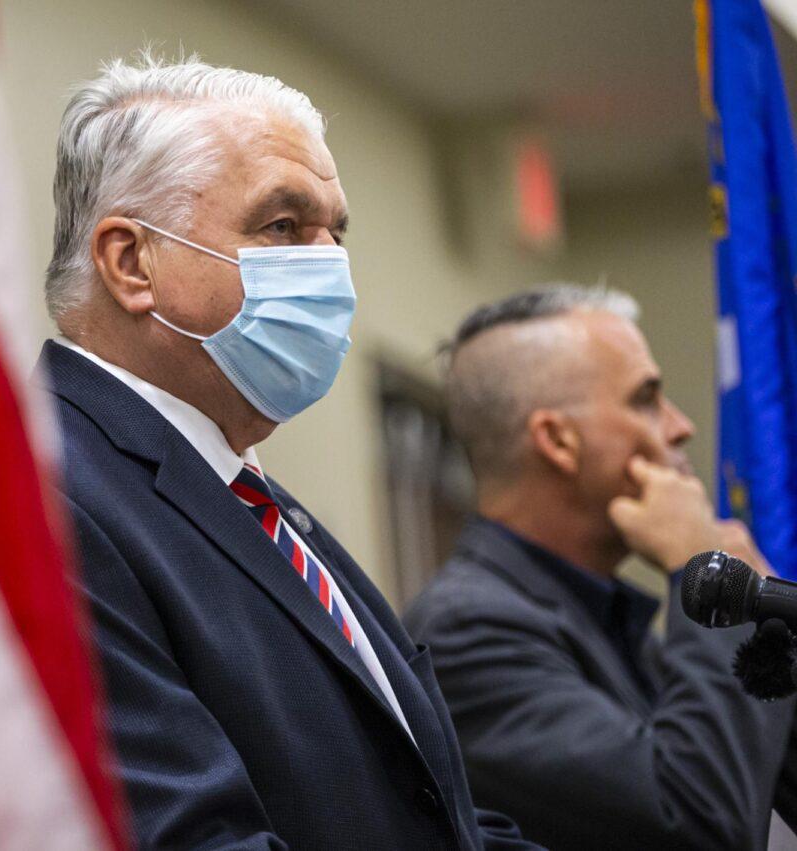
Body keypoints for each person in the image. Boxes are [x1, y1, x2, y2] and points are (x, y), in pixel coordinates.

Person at [33, 53, 537, 849]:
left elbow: (445, 822)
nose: (330, 264)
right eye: (282, 226)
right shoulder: (51, 492)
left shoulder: (246, 493)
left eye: (335, 232)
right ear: (131, 262)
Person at [404, 284, 797, 850]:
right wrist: (703, 576)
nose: (679, 425)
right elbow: (698, 823)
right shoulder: (467, 631)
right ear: (559, 441)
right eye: (646, 399)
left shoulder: (595, 613)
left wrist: (760, 612)